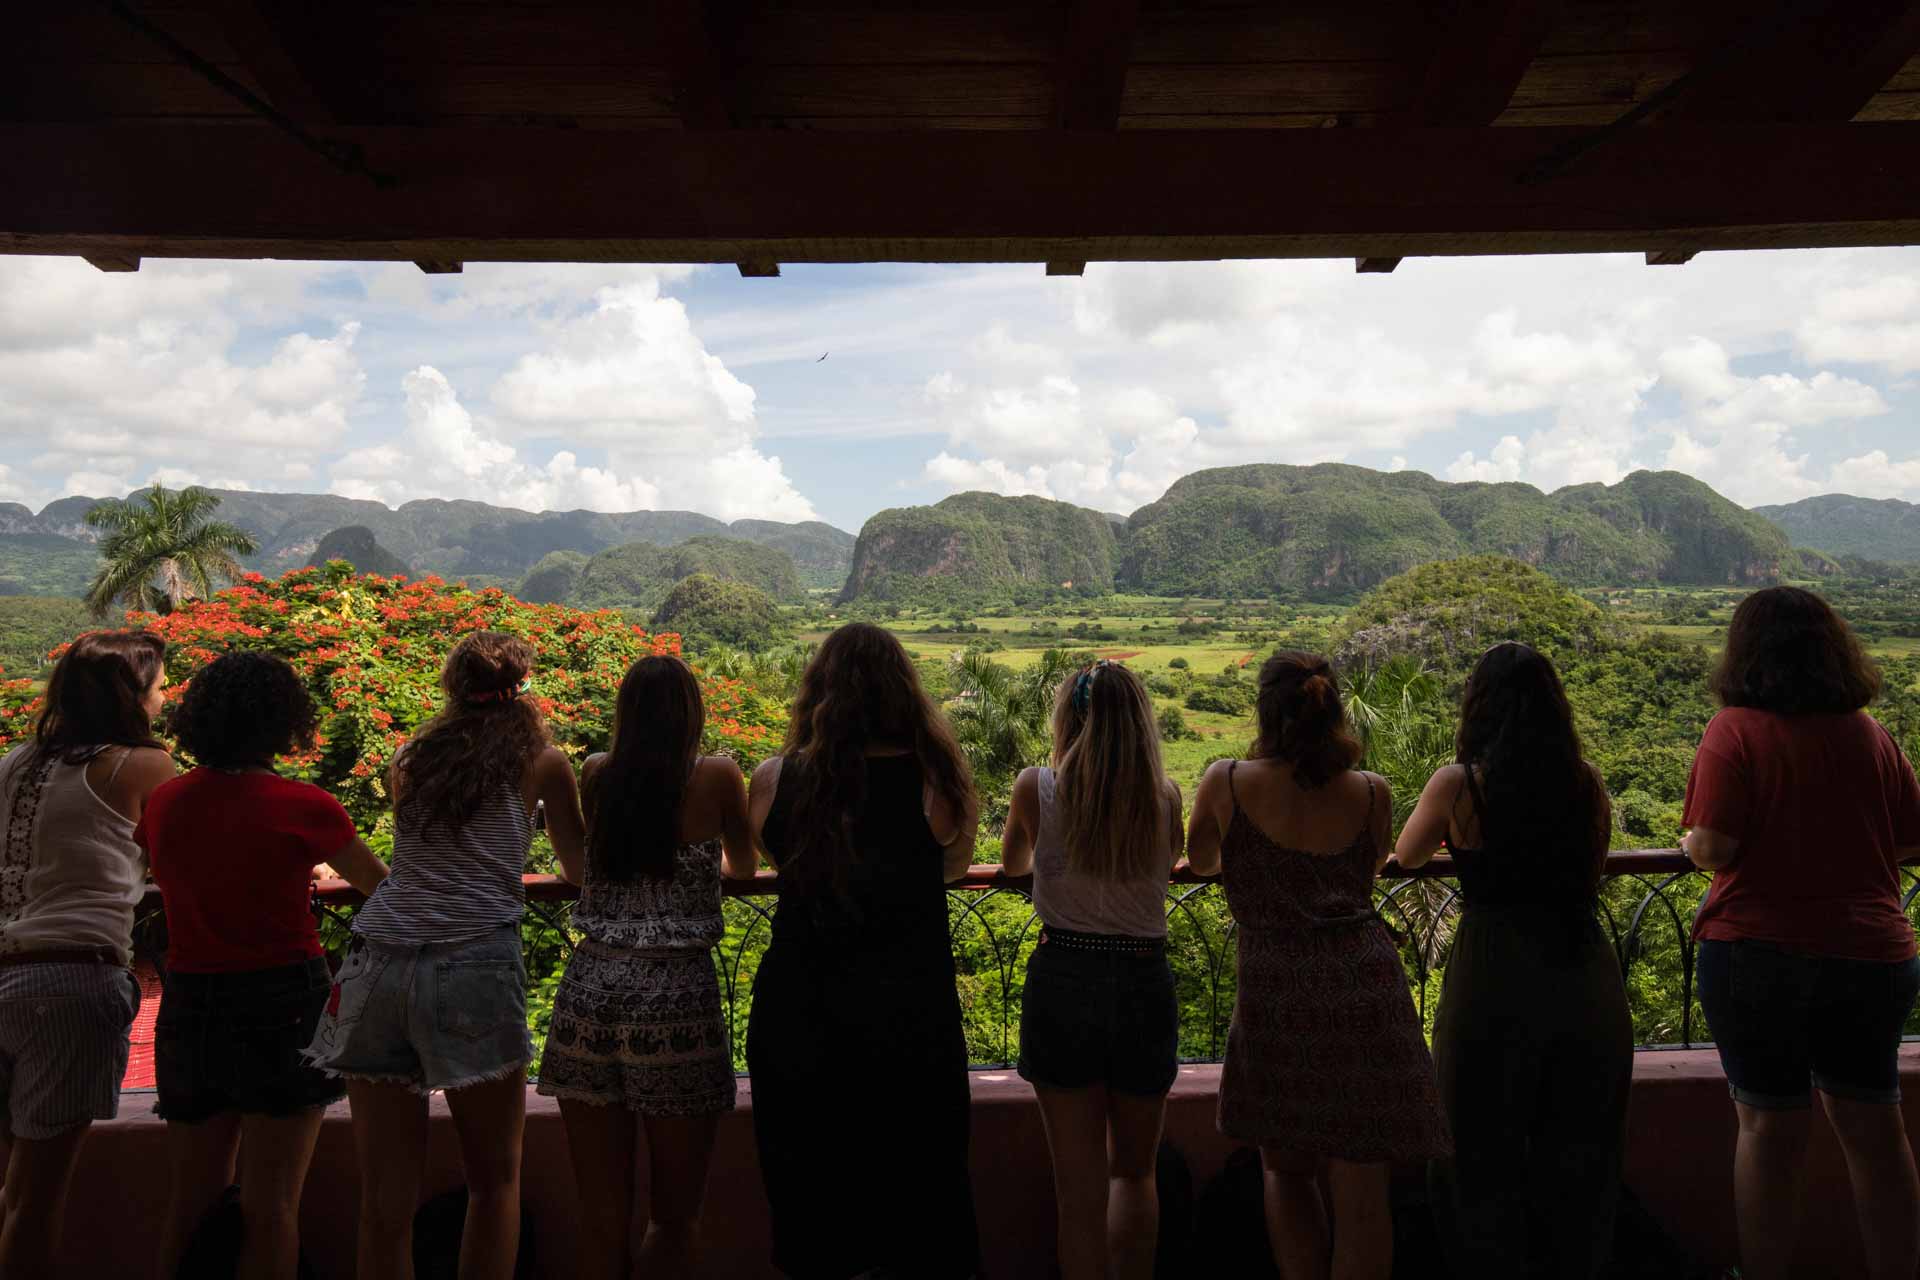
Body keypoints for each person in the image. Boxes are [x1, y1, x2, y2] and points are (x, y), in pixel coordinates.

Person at [305, 631, 587, 1280]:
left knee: (383, 1201)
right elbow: (578, 866)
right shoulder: (543, 761)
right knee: (494, 1183)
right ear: (522, 687)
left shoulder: (408, 757)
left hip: (376, 961)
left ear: (450, 688)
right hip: (474, 960)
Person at [1681, 587, 1920, 1280]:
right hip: (1872, 954)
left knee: (1768, 1128)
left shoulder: (1735, 729)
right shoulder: (1868, 733)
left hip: (1760, 953)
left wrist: (1694, 840)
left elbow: (1714, 847)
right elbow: (1909, 837)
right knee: (1877, 1133)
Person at [1186, 651, 1447, 1280]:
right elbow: (1374, 864)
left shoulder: (1226, 781)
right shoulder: (1373, 791)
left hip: (1277, 989)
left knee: (1287, 1170)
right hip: (1364, 985)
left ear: (1265, 711)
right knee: (1363, 1191)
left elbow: (1199, 862)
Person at [141, 652, 391, 1280]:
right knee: (274, 1203)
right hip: (284, 1000)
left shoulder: (166, 802)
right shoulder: (305, 806)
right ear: (283, 721)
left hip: (192, 999)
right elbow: (381, 888)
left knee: (191, 1199)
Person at [745, 622, 980, 1278]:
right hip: (909, 1018)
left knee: (809, 1204)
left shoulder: (773, 780)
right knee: (919, 1202)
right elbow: (954, 868)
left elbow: (777, 857)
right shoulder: (935, 782)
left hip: (799, 1017)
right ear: (903, 694)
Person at [1395, 642, 1630, 1279]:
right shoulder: (1586, 781)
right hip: (1583, 965)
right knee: (1580, 1148)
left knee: (1472, 1146)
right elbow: (1595, 863)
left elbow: (1408, 855)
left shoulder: (1459, 783)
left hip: (1494, 969)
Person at [536, 655, 756, 1280]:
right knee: (675, 1216)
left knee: (601, 1214)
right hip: (673, 999)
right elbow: (742, 867)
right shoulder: (718, 776)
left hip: (590, 990)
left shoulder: (597, 772)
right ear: (692, 711)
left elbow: (581, 864)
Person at [1001, 660, 1183, 1280]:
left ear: (1067, 717)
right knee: (1135, 1172)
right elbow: (1171, 861)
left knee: (1077, 1191)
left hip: (1065, 977)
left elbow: (1012, 863)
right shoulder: (1163, 797)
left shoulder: (1037, 786)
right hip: (1142, 978)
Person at [0, 630, 175, 1278]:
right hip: (70, 982)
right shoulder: (142, 765)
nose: (165, 696)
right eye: (159, 685)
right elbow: (184, 859)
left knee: (11, 1193)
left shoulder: (15, 761)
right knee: (36, 1203)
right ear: (133, 694)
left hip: (6, 969)